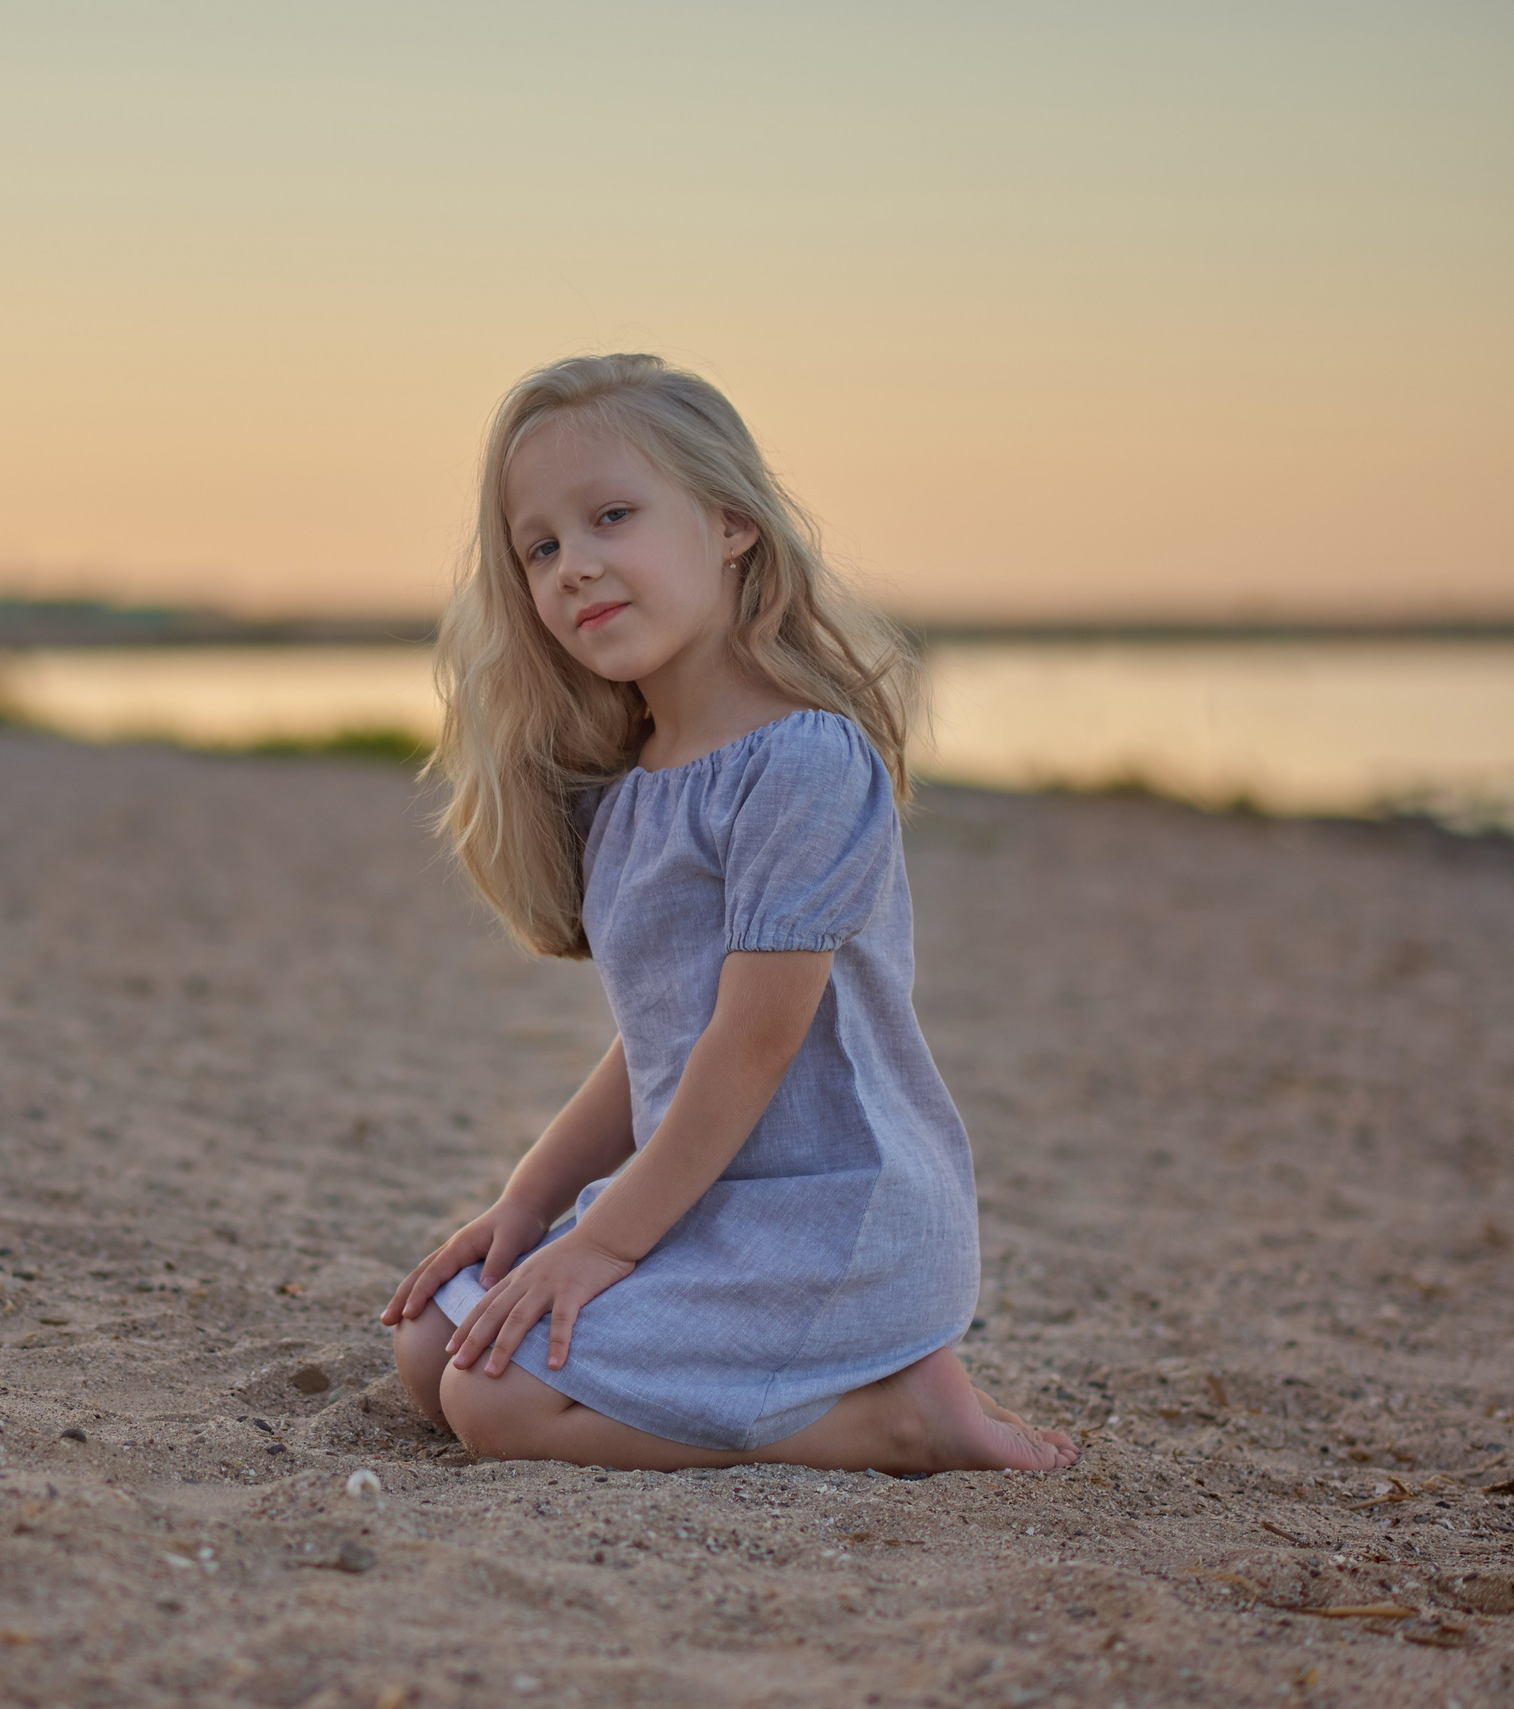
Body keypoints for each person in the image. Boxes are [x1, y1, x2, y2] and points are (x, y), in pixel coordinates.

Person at [380, 353, 1077, 1474]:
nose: (574, 566)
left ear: (729, 522)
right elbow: (661, 1037)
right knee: (429, 1347)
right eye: (541, 546)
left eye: (612, 515)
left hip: (827, 1217)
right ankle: (859, 1383)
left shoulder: (800, 761)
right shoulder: (634, 782)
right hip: (704, 1195)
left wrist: (600, 1242)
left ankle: (893, 1416)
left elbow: (753, 1040)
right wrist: (529, 1204)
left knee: (494, 1402)